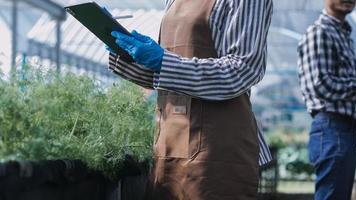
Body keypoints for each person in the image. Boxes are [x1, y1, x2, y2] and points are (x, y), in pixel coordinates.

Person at [105, 0, 273, 199]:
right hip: (169, 144)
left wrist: (163, 61)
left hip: (216, 149)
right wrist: (127, 54)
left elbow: (242, 70)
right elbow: (166, 78)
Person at [297, 0, 356, 199]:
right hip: (332, 126)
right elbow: (321, 85)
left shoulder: (343, 35)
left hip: (344, 128)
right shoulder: (320, 32)